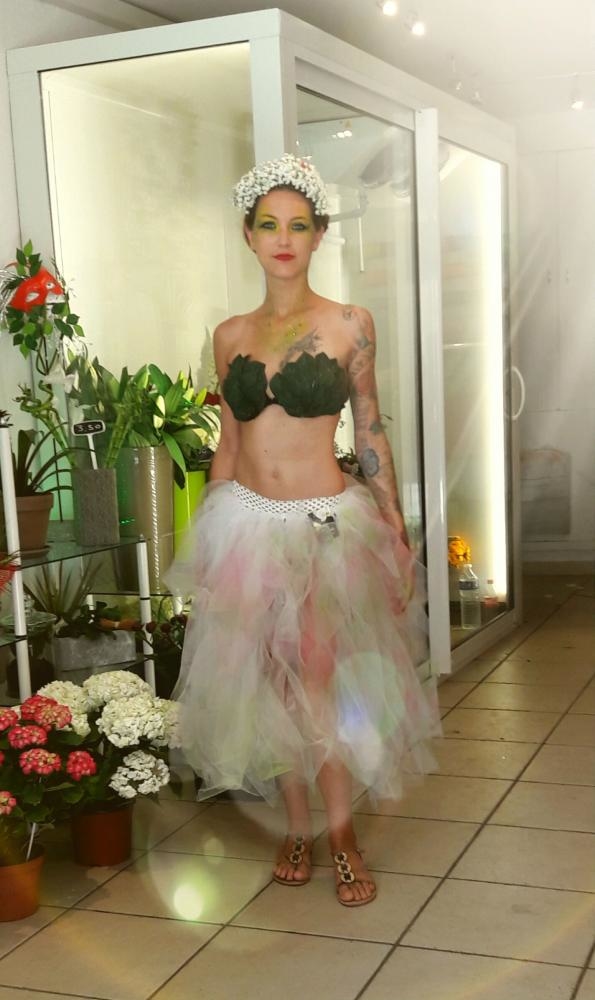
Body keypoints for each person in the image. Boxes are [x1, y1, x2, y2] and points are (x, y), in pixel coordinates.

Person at [168, 153, 440, 908]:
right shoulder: (229, 335)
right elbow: (228, 445)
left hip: (324, 529)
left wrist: (394, 526)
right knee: (271, 689)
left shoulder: (349, 323)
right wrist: (206, 549)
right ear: (248, 236)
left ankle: (341, 834)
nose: (283, 239)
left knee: (317, 685)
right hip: (245, 530)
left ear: (319, 234)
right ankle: (296, 828)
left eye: (297, 225)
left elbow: (370, 428)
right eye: (268, 225)